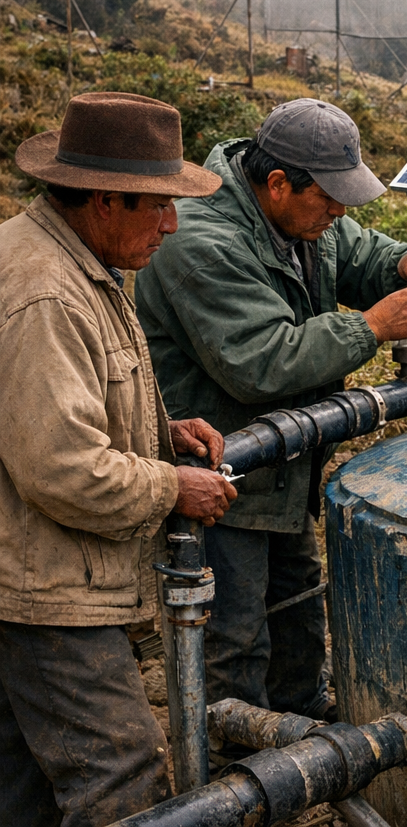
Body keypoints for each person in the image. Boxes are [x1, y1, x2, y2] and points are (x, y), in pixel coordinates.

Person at [135, 98, 407, 725]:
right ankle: (231, 764)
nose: (339, 213)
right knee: (232, 639)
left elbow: (355, 251)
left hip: (284, 469)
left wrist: (400, 259)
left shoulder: (300, 219)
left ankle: (304, 732)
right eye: (330, 200)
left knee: (298, 618)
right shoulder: (200, 242)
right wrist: (371, 327)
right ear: (279, 183)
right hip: (221, 480)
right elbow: (261, 360)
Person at [0, 92, 236, 826]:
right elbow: (61, 466)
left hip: (25, 575)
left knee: (24, 782)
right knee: (122, 772)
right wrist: (169, 486)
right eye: (158, 205)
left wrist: (158, 431)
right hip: (44, 591)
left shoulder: (66, 260)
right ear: (105, 200)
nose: (172, 224)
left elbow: (49, 411)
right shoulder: (48, 293)